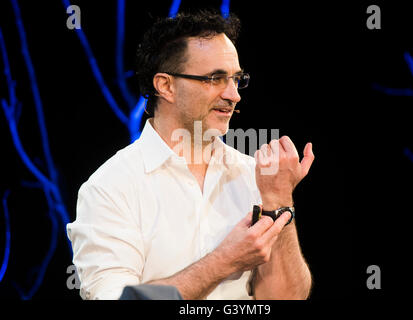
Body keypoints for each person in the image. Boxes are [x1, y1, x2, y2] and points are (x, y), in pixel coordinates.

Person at [66, 10, 315, 300]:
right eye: (215, 78)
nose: (234, 95)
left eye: (236, 79)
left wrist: (279, 201)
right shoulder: (110, 188)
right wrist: (223, 261)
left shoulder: (253, 175)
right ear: (166, 86)